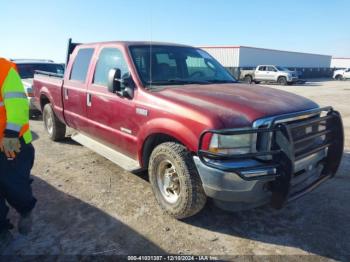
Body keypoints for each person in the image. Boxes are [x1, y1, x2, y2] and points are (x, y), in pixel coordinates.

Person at [0, 58, 36, 249]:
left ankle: (26, 211)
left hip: (10, 142)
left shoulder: (3, 69)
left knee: (15, 186)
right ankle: (1, 230)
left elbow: (18, 104)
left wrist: (11, 135)